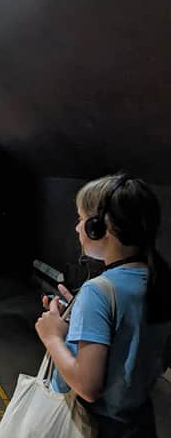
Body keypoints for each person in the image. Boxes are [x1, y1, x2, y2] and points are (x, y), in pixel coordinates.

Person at [35, 174, 171, 437]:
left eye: (81, 219)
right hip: (139, 424)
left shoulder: (98, 291)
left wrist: (52, 336)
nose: (77, 228)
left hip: (95, 427)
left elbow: (87, 385)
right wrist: (81, 315)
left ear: (99, 228)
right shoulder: (158, 282)